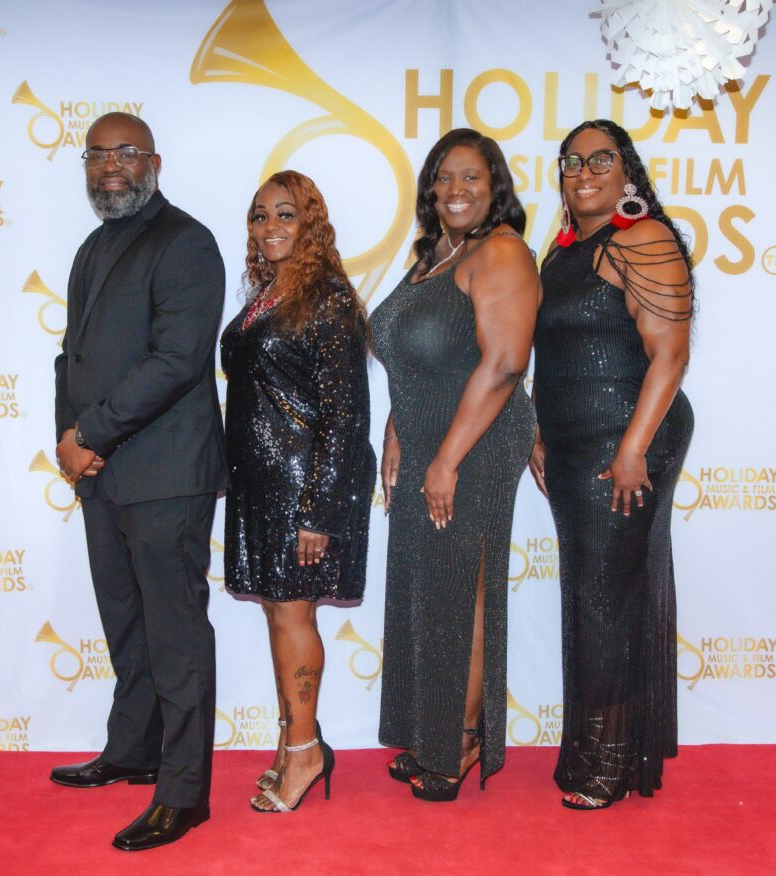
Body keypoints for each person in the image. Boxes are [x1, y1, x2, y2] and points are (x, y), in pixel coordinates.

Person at [51, 112, 227, 850]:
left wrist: (89, 433)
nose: (110, 167)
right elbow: (73, 359)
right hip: (104, 475)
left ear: (154, 160)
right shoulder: (94, 246)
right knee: (127, 626)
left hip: (164, 475)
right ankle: (132, 750)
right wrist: (72, 445)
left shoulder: (186, 242)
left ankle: (183, 793)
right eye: (97, 155)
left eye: (125, 154)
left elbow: (177, 360)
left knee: (175, 633)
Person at [530, 119, 695, 810]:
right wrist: (538, 429)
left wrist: (631, 449)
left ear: (626, 172)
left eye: (601, 159)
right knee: (593, 594)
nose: (584, 171)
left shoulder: (643, 238)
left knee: (607, 599)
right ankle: (596, 750)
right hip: (571, 441)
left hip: (629, 439)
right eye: (572, 161)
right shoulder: (564, 251)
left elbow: (671, 354)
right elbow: (552, 352)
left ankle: (614, 761)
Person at [370, 129, 539, 801]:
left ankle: (463, 744)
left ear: (494, 185)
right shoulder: (435, 259)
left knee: (463, 590)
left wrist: (444, 459)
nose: (457, 189)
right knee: (428, 592)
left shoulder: (500, 252)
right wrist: (396, 426)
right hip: (429, 440)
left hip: (476, 443)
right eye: (445, 177)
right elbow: (419, 356)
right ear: (431, 190)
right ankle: (436, 731)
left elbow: (503, 365)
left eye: (472, 176)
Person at [220, 170, 376, 813]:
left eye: (287, 215)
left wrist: (319, 509)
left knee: (292, 614)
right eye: (260, 216)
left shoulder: (329, 299)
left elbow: (347, 417)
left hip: (302, 489)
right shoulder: (265, 293)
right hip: (260, 486)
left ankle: (307, 750)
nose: (271, 227)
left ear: (311, 222)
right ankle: (293, 744)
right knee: (279, 614)